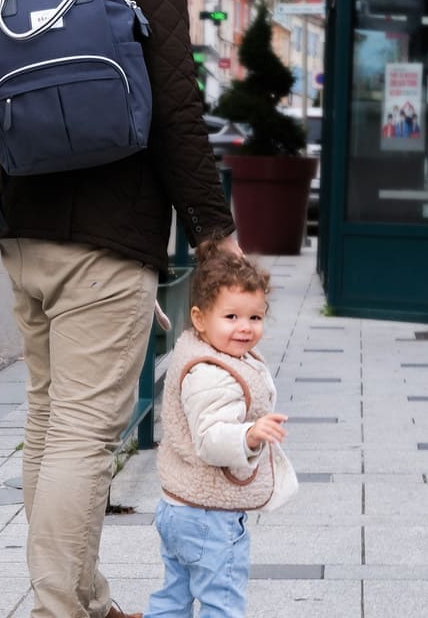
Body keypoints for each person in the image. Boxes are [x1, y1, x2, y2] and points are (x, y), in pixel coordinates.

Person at [0, 0, 262, 618]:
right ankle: (59, 610)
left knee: (49, 422)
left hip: (27, 222)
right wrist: (215, 229)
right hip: (99, 235)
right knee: (82, 433)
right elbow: (175, 101)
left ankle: (83, 596)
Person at [131, 241, 293, 618]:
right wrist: (248, 435)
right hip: (210, 517)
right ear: (200, 319)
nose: (245, 328)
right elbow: (211, 437)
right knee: (223, 603)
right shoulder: (213, 374)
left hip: (179, 507)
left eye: (255, 318)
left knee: (174, 597)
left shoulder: (199, 349)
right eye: (232, 317)